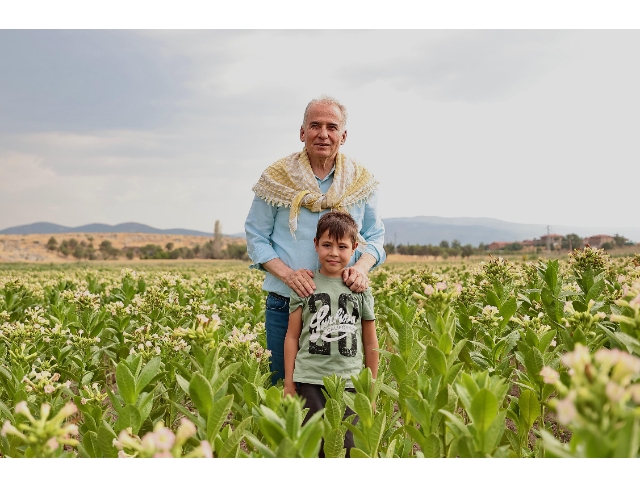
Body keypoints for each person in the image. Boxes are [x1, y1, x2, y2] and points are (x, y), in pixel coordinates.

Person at [244, 95, 385, 385]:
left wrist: (360, 270)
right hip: (287, 302)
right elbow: (256, 237)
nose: (323, 133)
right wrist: (288, 275)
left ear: (343, 136)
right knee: (284, 390)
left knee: (340, 395)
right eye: (315, 125)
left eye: (332, 127)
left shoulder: (361, 180)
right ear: (302, 132)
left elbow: (375, 237)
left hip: (343, 305)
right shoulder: (276, 178)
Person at [283, 211, 379, 457]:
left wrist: (371, 387)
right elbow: (292, 337)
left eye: (342, 246)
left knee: (347, 447)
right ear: (315, 245)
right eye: (326, 245)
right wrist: (289, 383)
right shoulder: (305, 286)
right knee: (311, 447)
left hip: (350, 383)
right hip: (310, 380)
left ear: (354, 248)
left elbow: (370, 342)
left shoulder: (360, 289)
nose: (334, 253)